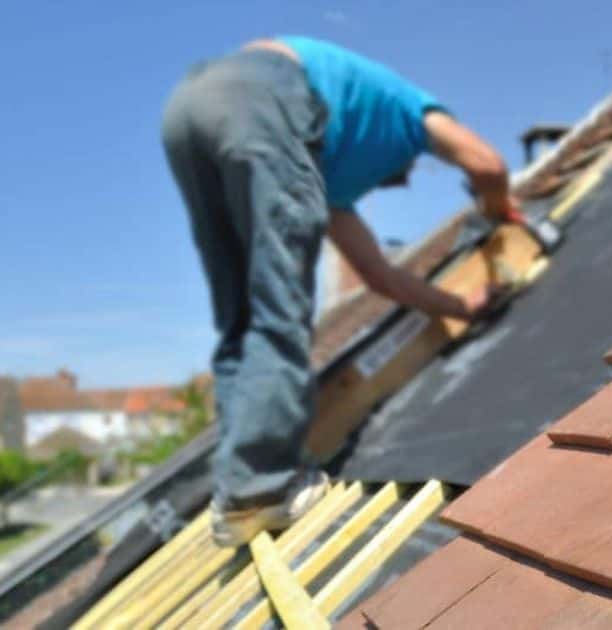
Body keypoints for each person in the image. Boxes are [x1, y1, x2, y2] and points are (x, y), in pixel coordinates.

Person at [161, 36, 520, 546]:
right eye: (403, 174)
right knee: (277, 305)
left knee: (240, 315)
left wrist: (463, 305)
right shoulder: (413, 113)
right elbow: (487, 165)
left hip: (190, 106)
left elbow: (379, 276)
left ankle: (240, 484)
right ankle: (262, 488)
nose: (401, 182)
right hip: (266, 90)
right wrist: (495, 212)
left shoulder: (328, 183)